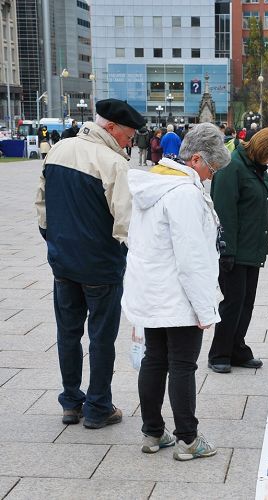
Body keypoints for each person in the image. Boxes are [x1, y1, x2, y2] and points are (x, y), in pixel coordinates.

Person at [121, 123, 231, 460]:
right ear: (196, 159)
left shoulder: (154, 183)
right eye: (211, 169)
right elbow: (192, 257)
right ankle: (188, 439)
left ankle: (153, 432)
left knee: (155, 360)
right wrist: (205, 308)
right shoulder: (183, 194)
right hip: (178, 293)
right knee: (182, 364)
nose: (211, 177)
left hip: (153, 291)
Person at [35, 98, 145, 429]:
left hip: (63, 263)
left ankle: (71, 402)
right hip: (101, 265)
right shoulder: (113, 163)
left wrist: (55, 244)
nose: (130, 142)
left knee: (67, 333)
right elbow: (126, 223)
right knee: (100, 337)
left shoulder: (58, 150)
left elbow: (42, 206)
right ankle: (98, 406)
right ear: (111, 128)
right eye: (129, 135)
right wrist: (128, 258)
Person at [208, 127, 268, 373]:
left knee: (246, 303)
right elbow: (224, 211)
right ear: (261, 150)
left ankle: (237, 348)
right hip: (234, 250)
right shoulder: (232, 167)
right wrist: (226, 249)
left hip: (252, 248)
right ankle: (219, 352)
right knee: (233, 302)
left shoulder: (257, 169)